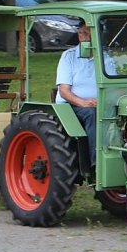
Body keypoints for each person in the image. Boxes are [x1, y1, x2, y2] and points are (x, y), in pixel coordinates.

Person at [55, 19, 98, 166]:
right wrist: (84, 103)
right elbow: (64, 92)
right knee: (93, 114)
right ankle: (97, 163)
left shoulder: (106, 58)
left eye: (87, 33)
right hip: (71, 105)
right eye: (81, 33)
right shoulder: (69, 56)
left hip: (100, 103)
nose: (83, 36)